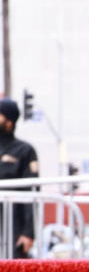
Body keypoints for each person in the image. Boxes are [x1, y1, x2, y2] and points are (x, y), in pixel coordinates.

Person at [0, 96, 38, 258]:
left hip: (13, 225)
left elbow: (32, 193)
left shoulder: (25, 151)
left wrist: (29, 232)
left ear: (9, 122)